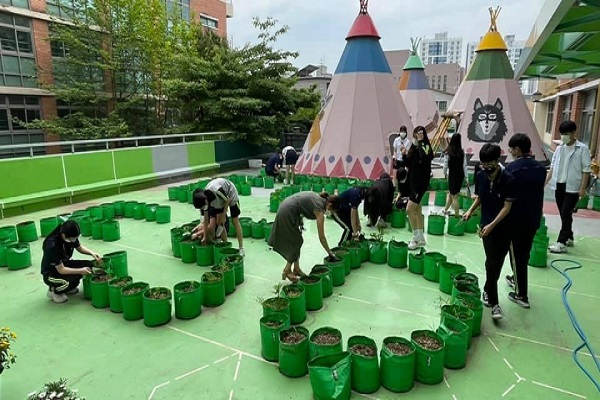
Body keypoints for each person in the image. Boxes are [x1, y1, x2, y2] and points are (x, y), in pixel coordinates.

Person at [463, 144, 515, 320]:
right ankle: (495, 304)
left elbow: (507, 207)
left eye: (489, 164)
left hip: (504, 227)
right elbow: (480, 197)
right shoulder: (480, 176)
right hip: (486, 227)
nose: (486, 168)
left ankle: (487, 289)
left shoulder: (508, 178)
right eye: (483, 164)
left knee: (498, 262)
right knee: (491, 263)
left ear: (497, 160)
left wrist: (493, 224)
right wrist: (470, 211)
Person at [504, 133, 546, 309]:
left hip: (516, 220)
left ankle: (521, 295)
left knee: (517, 256)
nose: (510, 152)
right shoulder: (540, 169)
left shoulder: (512, 169)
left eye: (511, 149)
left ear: (517, 149)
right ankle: (517, 278)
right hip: (533, 218)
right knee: (524, 253)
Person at [268, 191, 338, 282]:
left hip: (288, 208)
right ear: (329, 205)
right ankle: (287, 270)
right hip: (287, 211)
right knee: (297, 241)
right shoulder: (319, 209)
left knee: (297, 238)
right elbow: (322, 237)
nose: (331, 214)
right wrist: (330, 253)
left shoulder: (319, 200)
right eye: (333, 211)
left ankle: (296, 269)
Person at [545, 120, 592, 253]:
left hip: (573, 187)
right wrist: (545, 182)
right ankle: (569, 235)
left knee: (566, 212)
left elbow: (586, 170)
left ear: (573, 133)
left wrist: (582, 188)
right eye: (561, 134)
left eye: (566, 134)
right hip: (559, 184)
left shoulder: (582, 148)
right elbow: (552, 167)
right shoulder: (559, 148)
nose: (563, 136)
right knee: (564, 213)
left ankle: (562, 242)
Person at [41, 220, 101, 304]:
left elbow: (79, 248)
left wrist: (92, 253)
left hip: (64, 264)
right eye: (73, 238)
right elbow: (61, 270)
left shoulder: (70, 235)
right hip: (51, 273)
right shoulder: (52, 245)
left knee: (89, 264)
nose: (75, 240)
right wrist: (81, 270)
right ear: (64, 235)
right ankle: (53, 290)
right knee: (71, 281)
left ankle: (67, 287)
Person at [193, 177, 245, 256]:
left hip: (230, 194)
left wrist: (224, 215)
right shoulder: (204, 201)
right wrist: (205, 237)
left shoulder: (216, 190)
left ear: (206, 201)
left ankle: (241, 248)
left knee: (235, 221)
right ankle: (225, 245)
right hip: (218, 201)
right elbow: (206, 220)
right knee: (220, 222)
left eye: (203, 207)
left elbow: (227, 200)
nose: (203, 209)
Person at [405, 125, 434, 250]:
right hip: (413, 182)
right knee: (417, 210)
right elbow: (408, 162)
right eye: (417, 132)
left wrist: (421, 142)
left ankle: (415, 238)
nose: (419, 134)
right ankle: (421, 238)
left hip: (420, 183)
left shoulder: (426, 146)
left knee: (409, 209)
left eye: (421, 132)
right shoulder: (414, 147)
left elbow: (425, 157)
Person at [442, 133, 469, 216]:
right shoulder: (462, 152)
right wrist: (467, 178)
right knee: (452, 194)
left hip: (452, 175)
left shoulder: (448, 152)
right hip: (460, 175)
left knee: (454, 197)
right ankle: (445, 210)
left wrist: (444, 173)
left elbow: (445, 165)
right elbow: (464, 165)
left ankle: (456, 216)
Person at [392, 126, 412, 190]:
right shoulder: (396, 140)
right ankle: (394, 187)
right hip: (397, 159)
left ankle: (404, 188)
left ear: (406, 133)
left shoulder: (408, 142)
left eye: (404, 132)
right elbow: (395, 150)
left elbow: (408, 152)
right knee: (395, 173)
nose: (402, 133)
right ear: (399, 132)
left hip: (404, 160)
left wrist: (404, 151)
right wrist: (395, 157)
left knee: (404, 174)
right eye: (401, 131)